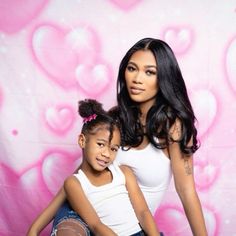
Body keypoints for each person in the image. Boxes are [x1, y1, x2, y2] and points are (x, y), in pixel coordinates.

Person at [28, 38, 208, 235]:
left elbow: (187, 191)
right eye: (132, 68)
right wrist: (36, 227)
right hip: (81, 214)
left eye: (149, 72)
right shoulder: (115, 119)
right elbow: (81, 177)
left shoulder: (174, 129)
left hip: (129, 227)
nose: (137, 78)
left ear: (164, 78)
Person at [27, 98, 160, 236]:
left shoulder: (124, 173)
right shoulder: (75, 183)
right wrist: (33, 230)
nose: (106, 154)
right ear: (82, 141)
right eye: (101, 144)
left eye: (114, 149)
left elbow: (143, 212)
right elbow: (95, 225)